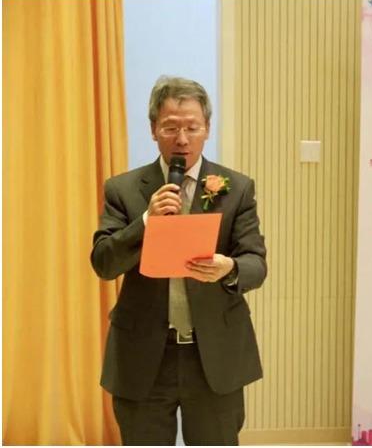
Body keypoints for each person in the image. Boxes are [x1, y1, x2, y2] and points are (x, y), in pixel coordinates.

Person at [91, 76, 267, 445]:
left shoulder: (236, 188)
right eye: (171, 128)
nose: (182, 139)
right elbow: (104, 263)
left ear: (207, 129)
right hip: (143, 355)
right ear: (153, 129)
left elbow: (255, 263)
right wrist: (145, 221)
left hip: (213, 354)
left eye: (192, 127)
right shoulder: (123, 189)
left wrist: (229, 268)